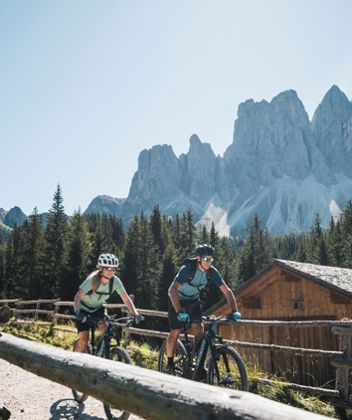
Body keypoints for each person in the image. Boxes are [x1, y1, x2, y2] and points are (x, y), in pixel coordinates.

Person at [165, 243, 241, 374]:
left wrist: (234, 311)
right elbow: (172, 290)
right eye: (206, 259)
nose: (209, 262)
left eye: (211, 259)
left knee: (199, 327)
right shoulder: (187, 269)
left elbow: (227, 291)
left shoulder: (212, 271)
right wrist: (179, 311)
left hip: (193, 300)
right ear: (198, 258)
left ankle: (197, 363)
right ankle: (170, 362)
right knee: (175, 331)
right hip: (176, 299)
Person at [73, 253, 142, 353]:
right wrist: (78, 313)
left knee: (106, 330)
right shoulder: (92, 280)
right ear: (101, 268)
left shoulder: (115, 281)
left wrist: (136, 314)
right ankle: (73, 360)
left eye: (113, 269)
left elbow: (126, 299)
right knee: (84, 340)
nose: (111, 271)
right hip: (83, 309)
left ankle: (100, 351)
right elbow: (77, 297)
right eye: (108, 268)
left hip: (97, 308)